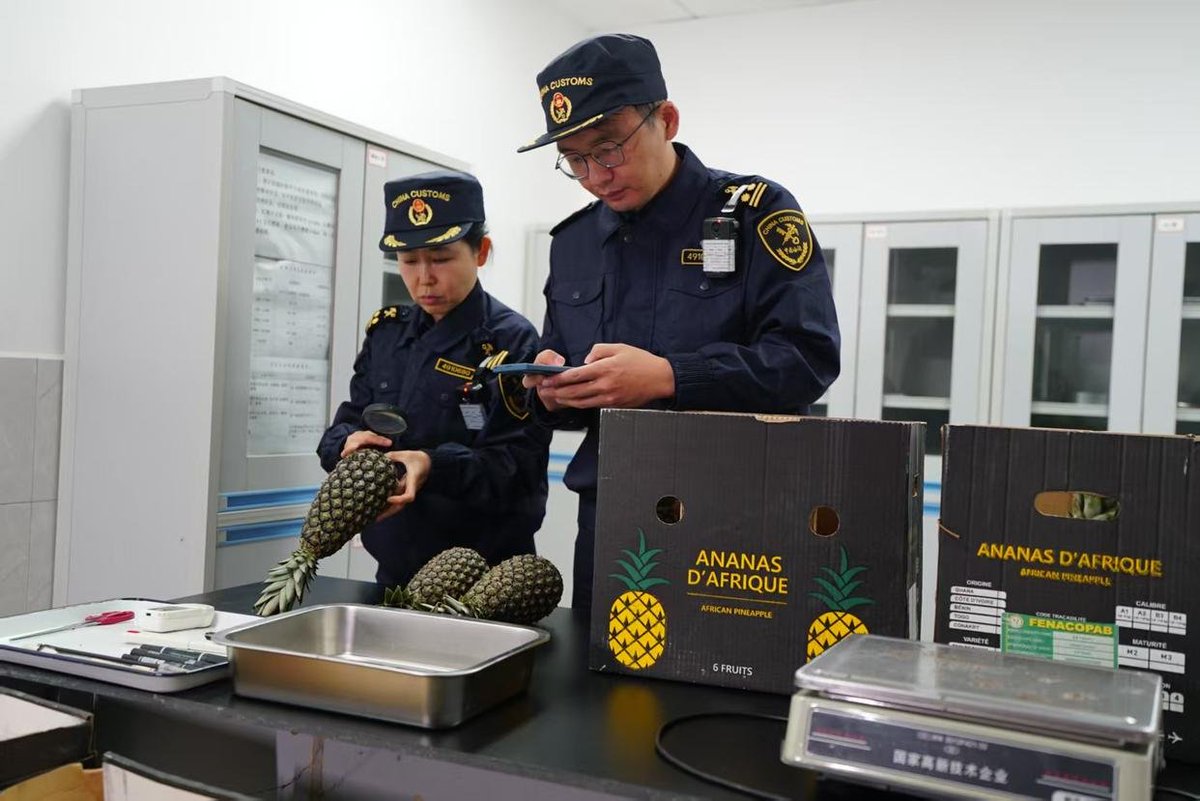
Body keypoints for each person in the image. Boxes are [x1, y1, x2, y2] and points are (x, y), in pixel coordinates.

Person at [516, 34, 840, 612]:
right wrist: (552, 387)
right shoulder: (574, 244)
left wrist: (670, 376)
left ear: (665, 119)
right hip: (613, 513)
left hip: (740, 520)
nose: (596, 175)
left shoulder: (754, 213)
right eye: (575, 160)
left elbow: (806, 360)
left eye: (609, 148)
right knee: (600, 692)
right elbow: (564, 376)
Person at [317, 170, 550, 589]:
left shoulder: (511, 340)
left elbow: (516, 469)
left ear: (481, 251)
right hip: (394, 574)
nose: (424, 278)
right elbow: (344, 425)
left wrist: (431, 465)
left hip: (485, 577)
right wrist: (345, 445)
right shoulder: (387, 333)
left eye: (441, 259)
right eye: (409, 262)